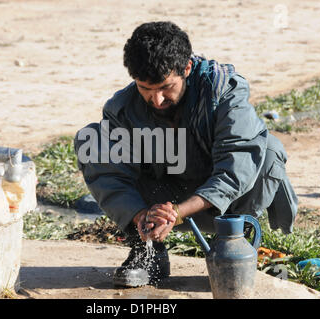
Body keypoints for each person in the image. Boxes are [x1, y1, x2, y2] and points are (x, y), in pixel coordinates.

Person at [74, 21, 298, 287]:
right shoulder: (123, 109)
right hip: (158, 204)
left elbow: (236, 165)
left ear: (187, 68)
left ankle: (232, 248)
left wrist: (178, 212)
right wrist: (142, 216)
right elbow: (111, 175)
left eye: (165, 87)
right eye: (145, 88)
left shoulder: (224, 92)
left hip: (221, 205)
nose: (156, 100)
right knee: (94, 140)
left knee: (267, 150)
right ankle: (147, 252)